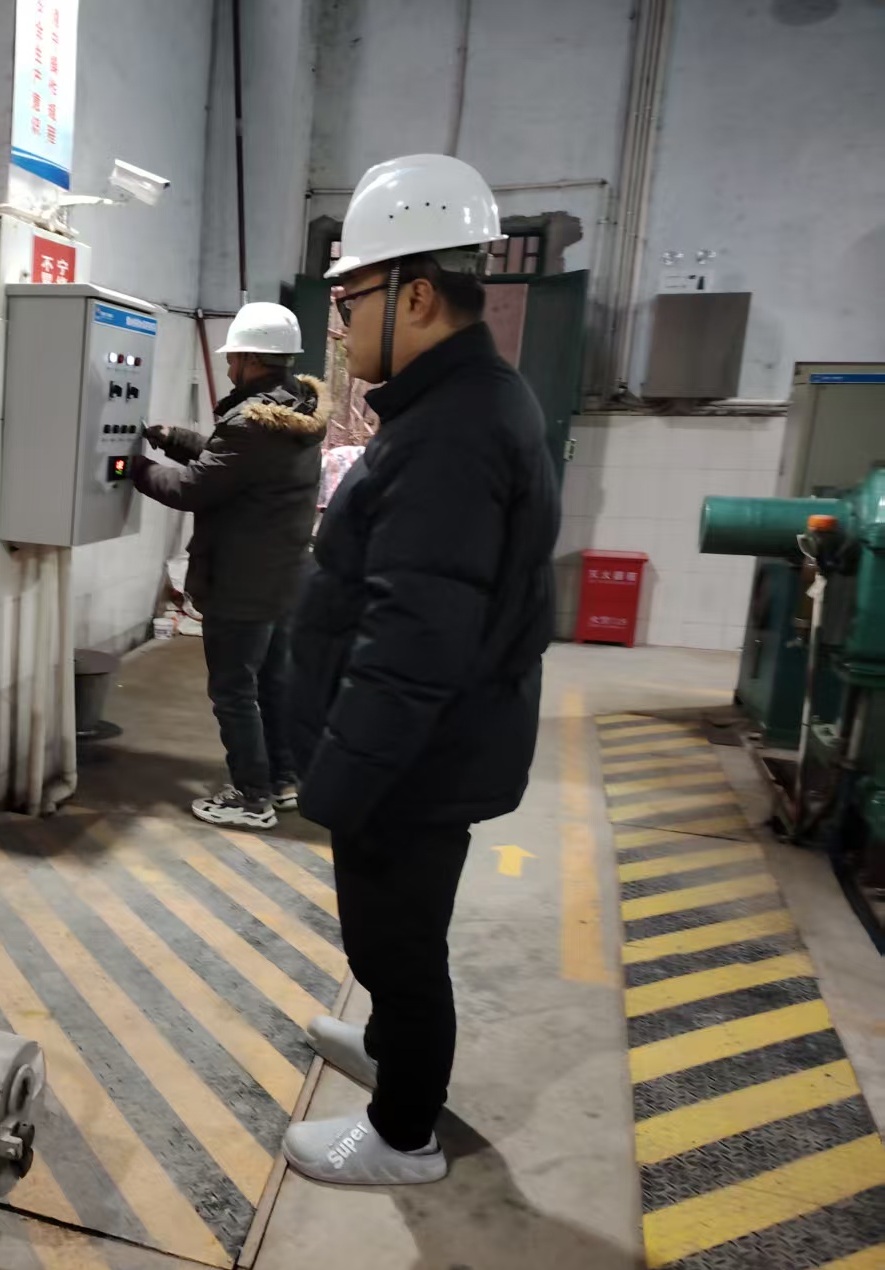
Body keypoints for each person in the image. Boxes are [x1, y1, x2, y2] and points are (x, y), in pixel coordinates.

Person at [280, 155, 560, 1186]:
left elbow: (412, 643)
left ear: (417, 295)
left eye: (350, 298)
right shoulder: (464, 405)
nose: (340, 323)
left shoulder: (451, 432)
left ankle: (403, 1135)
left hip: (414, 761)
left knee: (397, 945)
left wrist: (340, 781)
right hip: (432, 750)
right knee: (393, 937)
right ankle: (391, 1050)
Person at [131, 302, 328, 831]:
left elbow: (196, 488)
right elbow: (237, 465)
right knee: (270, 683)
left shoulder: (250, 424)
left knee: (234, 692)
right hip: (280, 577)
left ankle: (250, 797)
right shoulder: (296, 409)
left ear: (249, 358)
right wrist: (176, 439)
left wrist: (137, 468)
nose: (228, 364)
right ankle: (281, 780)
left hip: (242, 582)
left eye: (233, 356)